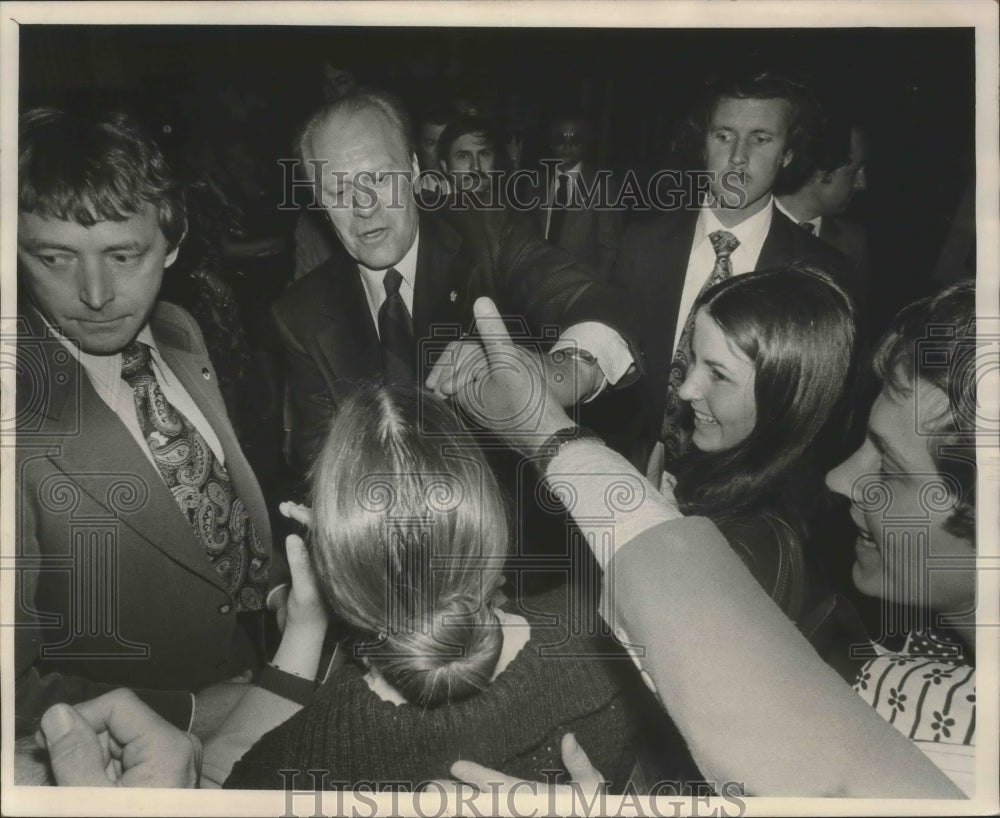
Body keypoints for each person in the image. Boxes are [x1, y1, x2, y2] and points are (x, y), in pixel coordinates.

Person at [447, 286, 976, 797]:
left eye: (891, 467)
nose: (840, 480)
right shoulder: (931, 658)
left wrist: (543, 430)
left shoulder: (759, 545)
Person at [14, 107, 286, 738]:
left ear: (174, 242)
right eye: (54, 258)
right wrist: (190, 712)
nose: (96, 294)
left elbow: (222, 511)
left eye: (123, 254)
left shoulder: (178, 329)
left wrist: (284, 602)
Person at [221, 385, 643, 789]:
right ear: (492, 519)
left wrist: (309, 619)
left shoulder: (294, 765)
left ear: (338, 571)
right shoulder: (619, 637)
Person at [273, 87, 638, 478]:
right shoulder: (302, 313)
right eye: (340, 191)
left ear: (414, 171)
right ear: (318, 204)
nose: (364, 207)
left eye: (379, 178)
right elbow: (319, 461)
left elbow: (588, 297)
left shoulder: (485, 234)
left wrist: (561, 376)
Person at [605, 70, 862, 471]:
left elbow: (817, 421)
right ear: (704, 144)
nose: (738, 156)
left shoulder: (820, 272)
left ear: (788, 154)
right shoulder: (642, 243)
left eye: (760, 139)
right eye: (723, 136)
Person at [662, 265, 856, 618]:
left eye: (718, 374)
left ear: (783, 396)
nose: (687, 389)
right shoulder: (727, 460)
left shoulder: (746, 550)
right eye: (693, 358)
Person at [776, 114, 870, 303]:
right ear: (821, 169)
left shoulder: (853, 243)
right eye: (854, 171)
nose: (862, 184)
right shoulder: (749, 223)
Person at [537, 113, 624, 281]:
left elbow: (610, 249)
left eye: (575, 139)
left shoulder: (602, 186)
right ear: (550, 142)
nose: (567, 146)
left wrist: (594, 291)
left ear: (585, 143)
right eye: (559, 138)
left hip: (579, 287)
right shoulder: (537, 183)